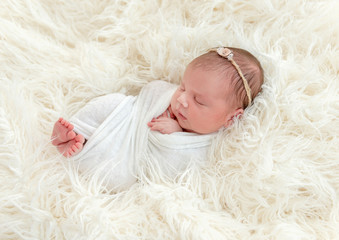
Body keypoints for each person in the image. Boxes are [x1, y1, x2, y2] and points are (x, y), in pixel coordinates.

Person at [51, 47, 264, 190]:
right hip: (132, 117)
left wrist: (175, 133)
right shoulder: (179, 100)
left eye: (198, 101)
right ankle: (78, 129)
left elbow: (170, 168)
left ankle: (82, 148)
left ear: (231, 118)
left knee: (118, 176)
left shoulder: (210, 146)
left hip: (133, 153)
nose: (182, 100)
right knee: (112, 103)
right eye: (183, 87)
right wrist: (161, 108)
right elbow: (148, 98)